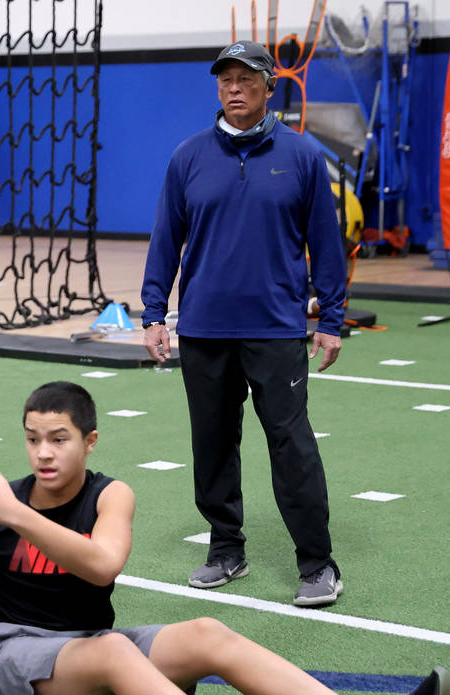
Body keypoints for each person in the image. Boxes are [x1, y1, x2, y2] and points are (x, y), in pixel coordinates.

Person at [0, 381, 450, 695]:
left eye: (58, 439)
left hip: (86, 648)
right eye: (32, 439)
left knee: (206, 634)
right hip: (12, 659)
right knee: (117, 656)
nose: (43, 454)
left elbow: (100, 566)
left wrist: (20, 516)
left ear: (88, 441)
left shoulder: (110, 495)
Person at [139, 40, 349, 606]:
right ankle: (226, 550)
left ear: (268, 87)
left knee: (291, 444)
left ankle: (317, 563)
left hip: (276, 328)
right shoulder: (187, 157)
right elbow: (166, 240)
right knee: (211, 444)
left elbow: (326, 247)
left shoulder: (302, 157)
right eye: (225, 79)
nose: (234, 88)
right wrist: (153, 311)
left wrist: (331, 317)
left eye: (246, 79)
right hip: (205, 329)